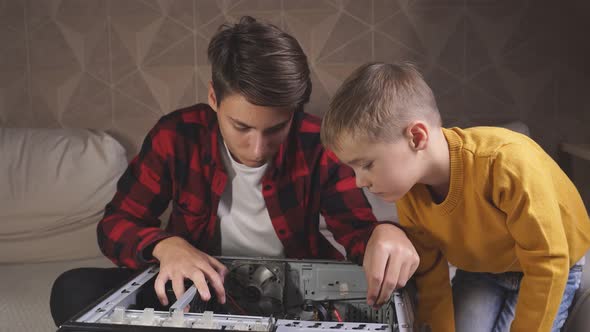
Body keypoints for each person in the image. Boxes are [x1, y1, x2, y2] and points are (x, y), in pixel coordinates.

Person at [49, 17, 419, 326]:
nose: (257, 149)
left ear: (294, 112)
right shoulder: (176, 135)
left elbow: (358, 233)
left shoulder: (316, 143)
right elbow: (115, 225)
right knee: (73, 289)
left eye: (275, 129)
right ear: (214, 98)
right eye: (241, 127)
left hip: (292, 305)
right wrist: (167, 245)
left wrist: (385, 234)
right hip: (195, 289)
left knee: (404, 287)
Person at [320, 62, 590, 332]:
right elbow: (431, 274)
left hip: (550, 264)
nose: (359, 182)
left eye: (366, 165)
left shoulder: (504, 163)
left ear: (416, 137)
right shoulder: (408, 194)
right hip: (483, 268)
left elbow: (549, 262)